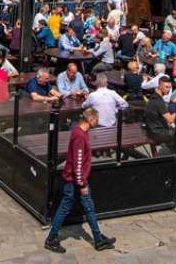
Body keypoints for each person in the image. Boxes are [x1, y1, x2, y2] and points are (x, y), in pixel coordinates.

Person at [44, 107, 116, 254]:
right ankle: (51, 238)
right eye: (96, 119)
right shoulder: (80, 136)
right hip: (75, 181)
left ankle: (98, 238)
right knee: (66, 208)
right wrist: (82, 183)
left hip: (77, 179)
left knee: (88, 207)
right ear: (90, 120)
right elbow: (77, 162)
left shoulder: (80, 132)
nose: (98, 122)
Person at [144, 75, 176, 148]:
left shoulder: (154, 97)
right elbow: (170, 120)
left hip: (152, 131)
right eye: (166, 87)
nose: (168, 90)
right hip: (157, 133)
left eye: (170, 87)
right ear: (160, 86)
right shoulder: (158, 101)